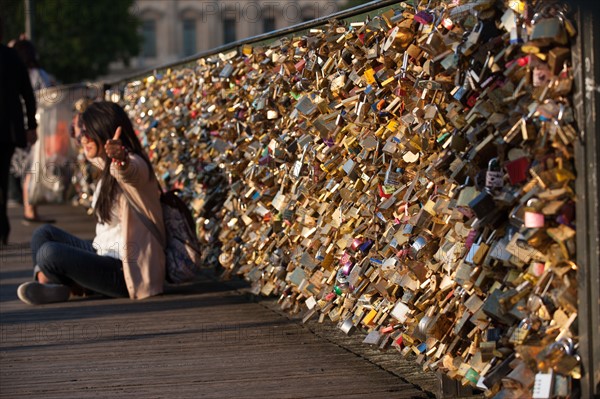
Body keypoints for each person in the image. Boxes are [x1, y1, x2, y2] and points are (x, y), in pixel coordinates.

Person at [17, 101, 166, 304]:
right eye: (80, 134)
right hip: (101, 253)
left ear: (104, 131)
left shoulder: (135, 166)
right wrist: (77, 131)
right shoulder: (105, 166)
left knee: (49, 253)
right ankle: (50, 286)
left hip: (126, 271)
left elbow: (129, 171)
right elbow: (97, 156)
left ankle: (60, 285)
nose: (82, 139)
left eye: (87, 133)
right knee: (43, 234)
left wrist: (121, 158)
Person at [0, 18, 38, 246]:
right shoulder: (12, 57)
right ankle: (2, 227)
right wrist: (31, 126)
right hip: (7, 131)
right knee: (3, 180)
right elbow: (28, 95)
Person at [11, 38, 56, 223]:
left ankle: (29, 208)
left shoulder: (14, 71)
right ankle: (30, 210)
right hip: (36, 125)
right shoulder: (39, 75)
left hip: (16, 124)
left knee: (25, 169)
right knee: (32, 168)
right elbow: (48, 99)